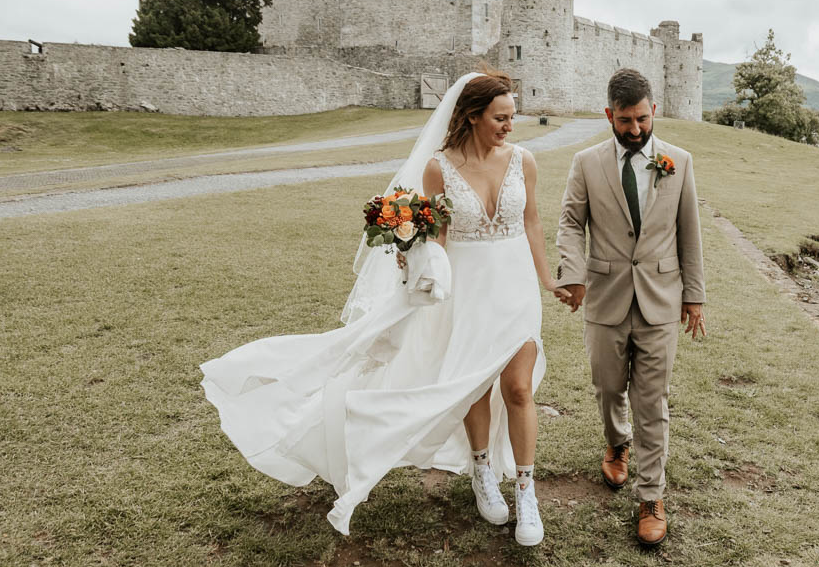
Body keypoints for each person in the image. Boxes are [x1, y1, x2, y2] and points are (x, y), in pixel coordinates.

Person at [200, 69, 562, 543]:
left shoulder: (523, 160)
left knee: (518, 388)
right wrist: (413, 258)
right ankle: (481, 471)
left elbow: (532, 221)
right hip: (468, 290)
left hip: (515, 287)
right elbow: (438, 237)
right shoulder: (439, 168)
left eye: (512, 116)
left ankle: (526, 492)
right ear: (473, 116)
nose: (509, 126)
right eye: (500, 118)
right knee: (474, 385)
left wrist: (547, 279)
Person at [555, 68, 706, 547]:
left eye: (642, 118)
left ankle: (651, 496)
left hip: (661, 299)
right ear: (609, 115)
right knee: (607, 386)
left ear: (653, 110)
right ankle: (616, 443)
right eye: (625, 120)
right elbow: (570, 223)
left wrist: (694, 295)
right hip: (605, 295)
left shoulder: (679, 162)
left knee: (652, 399)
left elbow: (689, 232)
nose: (636, 129)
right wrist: (572, 274)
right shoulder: (586, 163)